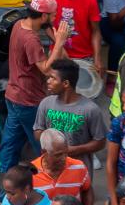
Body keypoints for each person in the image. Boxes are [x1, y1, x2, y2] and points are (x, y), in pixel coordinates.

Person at [1, 0, 64, 171]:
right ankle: (48, 178)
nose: (55, 18)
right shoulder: (31, 40)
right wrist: (59, 43)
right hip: (28, 100)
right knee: (42, 144)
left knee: (10, 144)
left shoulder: (18, 24)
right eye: (52, 15)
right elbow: (45, 69)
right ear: (43, 16)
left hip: (14, 95)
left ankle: (3, 186)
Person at [35, 58, 108, 196]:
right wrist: (51, 143)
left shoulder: (90, 109)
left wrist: (73, 150)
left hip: (77, 174)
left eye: (52, 78)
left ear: (66, 83)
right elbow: (38, 130)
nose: (48, 81)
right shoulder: (46, 103)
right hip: (49, 173)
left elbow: (100, 142)